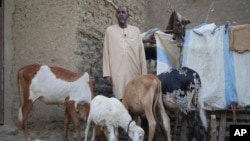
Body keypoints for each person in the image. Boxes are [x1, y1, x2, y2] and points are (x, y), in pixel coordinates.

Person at [103, 6, 147, 100]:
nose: (121, 14)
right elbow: (106, 53)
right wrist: (107, 74)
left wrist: (144, 74)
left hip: (134, 72)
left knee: (135, 98)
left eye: (123, 12)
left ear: (128, 15)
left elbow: (141, 54)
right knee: (120, 97)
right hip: (117, 73)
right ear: (116, 16)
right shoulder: (110, 31)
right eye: (119, 13)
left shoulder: (136, 31)